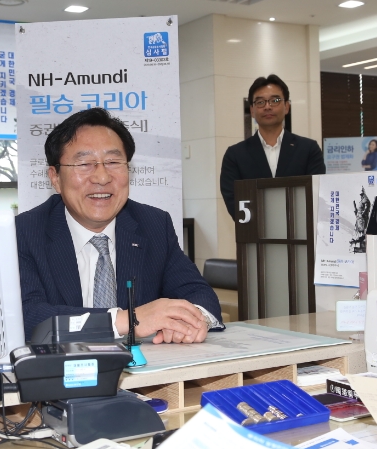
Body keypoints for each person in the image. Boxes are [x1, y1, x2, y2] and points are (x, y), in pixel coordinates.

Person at [16, 108, 223, 343]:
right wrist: (129, 320)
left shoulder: (154, 225)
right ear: (55, 178)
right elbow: (27, 316)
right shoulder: (25, 232)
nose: (102, 177)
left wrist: (190, 322)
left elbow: (200, 295)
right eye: (84, 163)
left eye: (113, 162)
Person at [220, 74, 325, 219]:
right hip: (254, 231)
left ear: (286, 107)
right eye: (260, 102)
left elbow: (317, 195)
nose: (267, 106)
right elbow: (234, 203)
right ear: (252, 110)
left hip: (300, 230)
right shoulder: (235, 155)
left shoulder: (309, 149)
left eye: (275, 101)